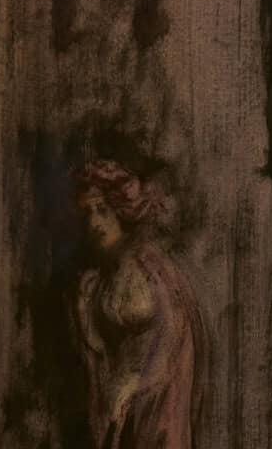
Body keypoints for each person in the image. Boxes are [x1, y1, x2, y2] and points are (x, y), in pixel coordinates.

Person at [73, 162, 206, 449]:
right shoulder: (99, 279)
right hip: (119, 406)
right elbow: (99, 351)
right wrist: (84, 310)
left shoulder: (151, 269)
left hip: (158, 403)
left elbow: (171, 340)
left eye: (102, 211)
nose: (94, 223)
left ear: (122, 211)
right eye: (87, 214)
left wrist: (136, 382)